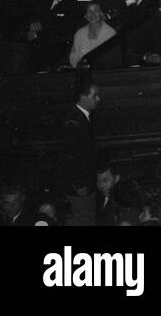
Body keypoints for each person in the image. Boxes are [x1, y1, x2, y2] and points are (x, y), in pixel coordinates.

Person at [57, 83, 100, 226]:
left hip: (86, 181)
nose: (98, 99)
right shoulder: (73, 121)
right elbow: (69, 156)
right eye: (95, 95)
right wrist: (79, 183)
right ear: (83, 96)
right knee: (84, 220)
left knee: (88, 218)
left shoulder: (83, 117)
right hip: (79, 185)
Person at [69, 2, 118, 69]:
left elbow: (112, 61)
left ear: (101, 13)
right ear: (85, 15)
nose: (92, 14)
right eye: (89, 11)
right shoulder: (79, 34)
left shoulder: (110, 33)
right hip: (83, 73)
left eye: (96, 10)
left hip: (103, 74)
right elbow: (73, 58)